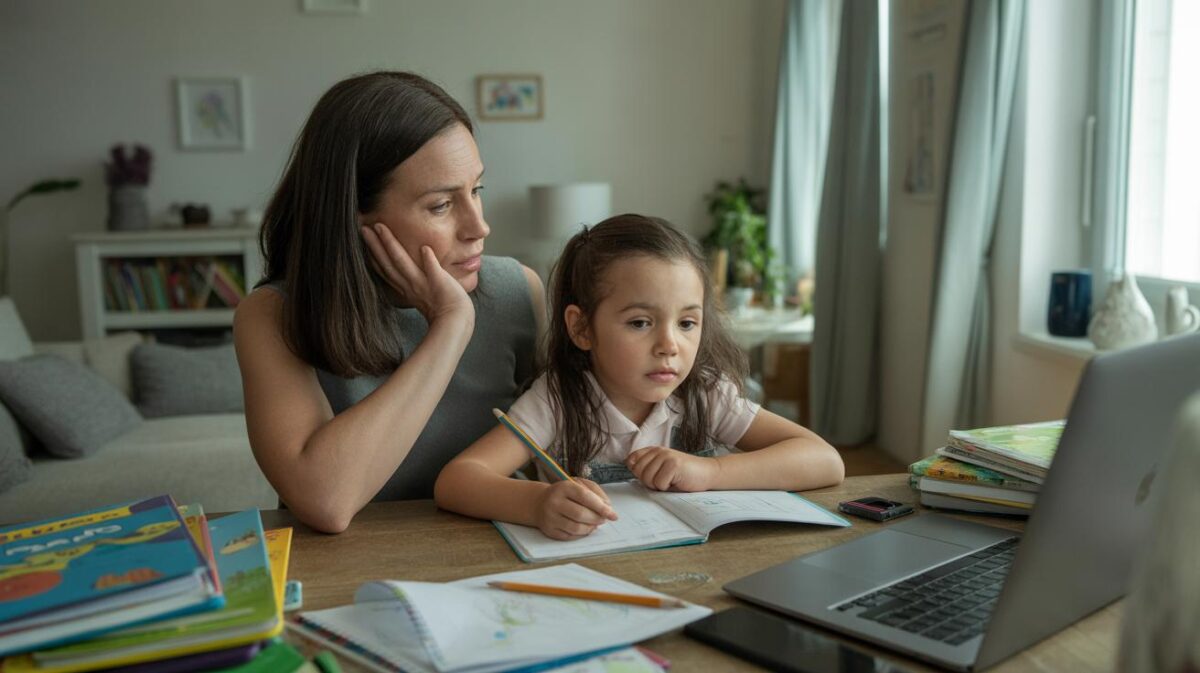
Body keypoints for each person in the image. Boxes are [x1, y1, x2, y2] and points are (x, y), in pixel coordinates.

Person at [233, 72, 545, 534]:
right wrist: (451, 327)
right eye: (440, 205)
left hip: (504, 554)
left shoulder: (518, 290)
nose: (479, 227)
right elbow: (325, 501)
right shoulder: (272, 317)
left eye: (476, 191)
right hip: (355, 569)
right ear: (353, 215)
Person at [434, 214, 844, 540]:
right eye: (640, 323)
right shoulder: (557, 399)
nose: (669, 345)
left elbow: (824, 461)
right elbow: (458, 480)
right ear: (582, 328)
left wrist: (710, 473)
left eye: (686, 323)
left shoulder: (703, 392)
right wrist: (537, 504)